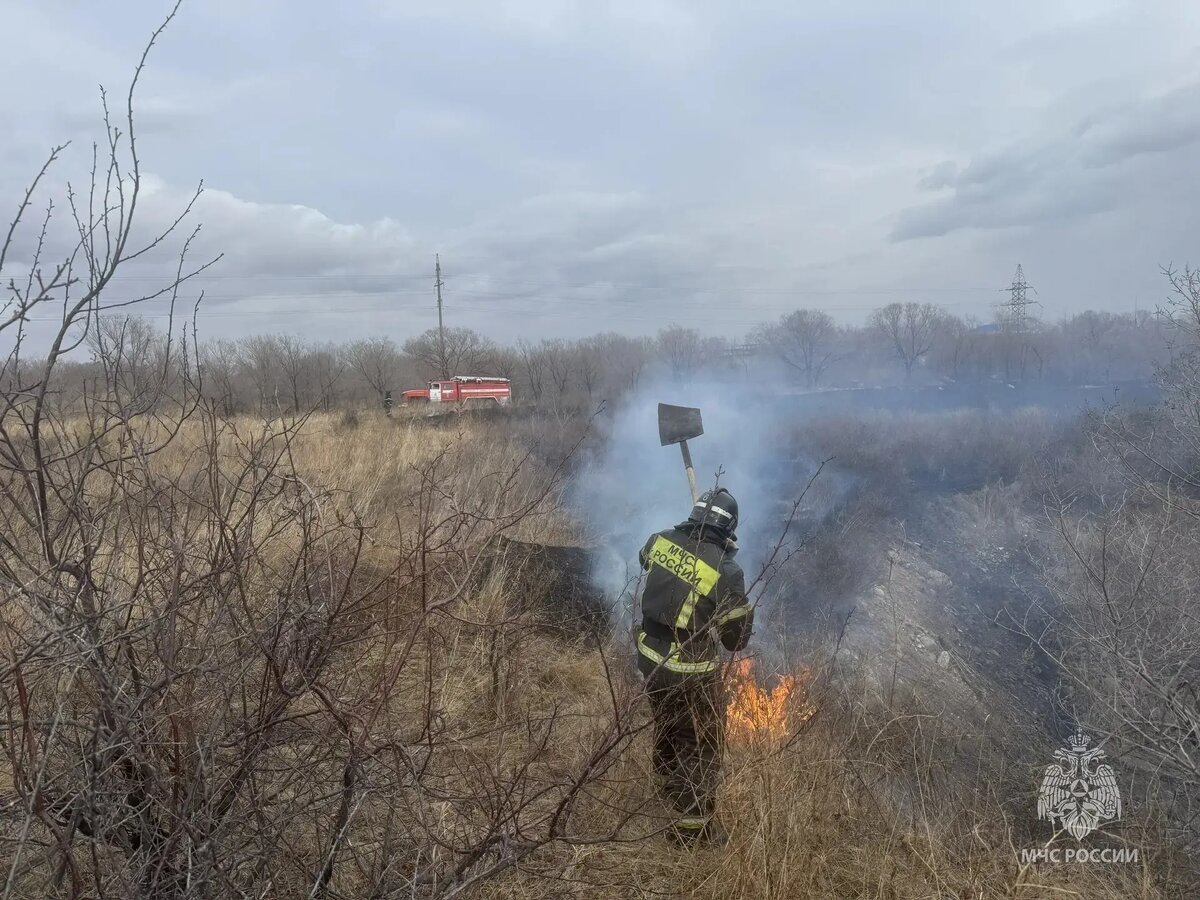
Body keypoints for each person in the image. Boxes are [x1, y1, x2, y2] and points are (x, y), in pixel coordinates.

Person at [636, 487, 753, 846]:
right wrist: (723, 566)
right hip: (690, 671)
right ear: (730, 528)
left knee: (669, 723)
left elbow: (646, 561)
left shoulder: (658, 540)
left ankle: (669, 787)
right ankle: (692, 833)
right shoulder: (727, 572)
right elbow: (736, 641)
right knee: (701, 743)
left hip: (650, 660)